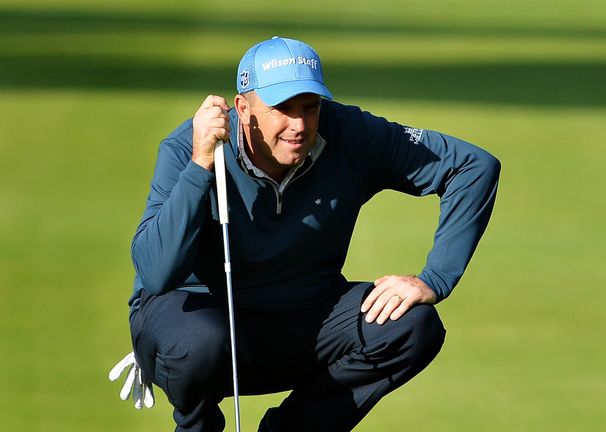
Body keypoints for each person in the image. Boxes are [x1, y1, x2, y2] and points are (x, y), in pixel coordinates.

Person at [109, 36, 500, 432]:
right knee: (199, 342)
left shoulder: (349, 132)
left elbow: (472, 166)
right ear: (243, 108)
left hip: (300, 320)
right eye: (282, 109)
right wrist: (201, 165)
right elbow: (156, 274)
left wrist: (433, 279)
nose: (298, 125)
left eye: (310, 107)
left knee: (412, 326)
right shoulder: (189, 148)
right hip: (196, 324)